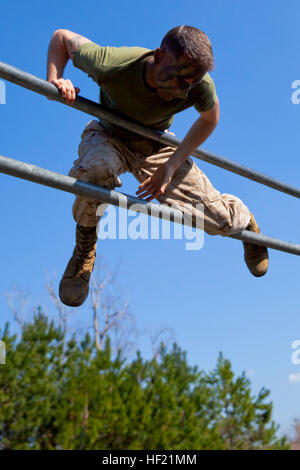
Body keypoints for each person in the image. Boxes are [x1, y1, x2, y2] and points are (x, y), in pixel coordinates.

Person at [47, 26, 268, 307]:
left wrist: (172, 166)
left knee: (218, 220)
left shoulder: (197, 85)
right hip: (109, 135)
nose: (182, 91)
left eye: (191, 83)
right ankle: (84, 250)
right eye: (178, 79)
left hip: (156, 145)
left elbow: (210, 119)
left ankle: (244, 220)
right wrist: (56, 80)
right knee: (95, 171)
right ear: (160, 56)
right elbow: (61, 37)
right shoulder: (113, 64)